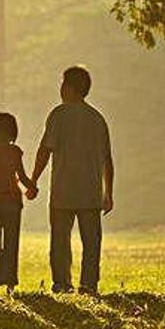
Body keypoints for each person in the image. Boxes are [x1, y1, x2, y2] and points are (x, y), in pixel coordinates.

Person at [31, 66, 114, 296]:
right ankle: (88, 284)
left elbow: (45, 150)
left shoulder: (59, 114)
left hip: (63, 191)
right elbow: (108, 159)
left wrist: (34, 179)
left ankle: (62, 283)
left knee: (60, 242)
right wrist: (109, 192)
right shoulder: (97, 119)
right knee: (91, 243)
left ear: (68, 87)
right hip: (90, 191)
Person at [0, 112, 37, 297]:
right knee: (11, 243)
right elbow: (21, 176)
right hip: (12, 202)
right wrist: (33, 188)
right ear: (13, 131)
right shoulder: (14, 151)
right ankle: (10, 284)